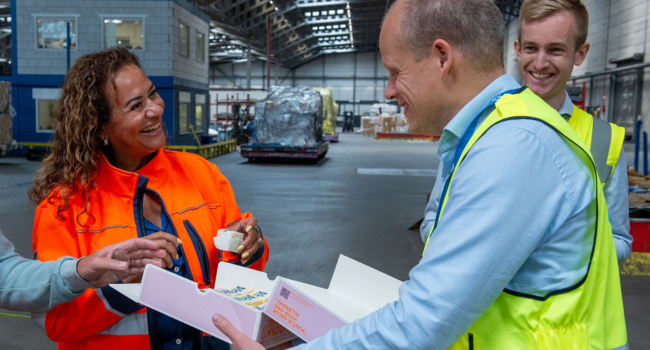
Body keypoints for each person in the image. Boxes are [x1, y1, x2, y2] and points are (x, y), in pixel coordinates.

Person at [212, 0, 627, 349]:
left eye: (396, 71)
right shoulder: (487, 132)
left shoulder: (514, 146)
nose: (389, 91)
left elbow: (424, 321)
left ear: (442, 57)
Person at [28, 48, 269, 350]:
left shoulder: (202, 173)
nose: (154, 109)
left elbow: (242, 278)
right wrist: (123, 287)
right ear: (101, 126)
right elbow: (57, 321)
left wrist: (251, 245)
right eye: (135, 106)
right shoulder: (63, 207)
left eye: (152, 94)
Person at [514, 0, 632, 265]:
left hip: (570, 305)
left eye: (555, 50)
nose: (540, 63)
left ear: (580, 53)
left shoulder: (604, 142)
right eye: (531, 48)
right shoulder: (480, 124)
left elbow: (620, 242)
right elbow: (435, 224)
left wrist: (557, 251)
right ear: (518, 50)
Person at [0, 228, 175, 311]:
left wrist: (76, 273)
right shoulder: (62, 202)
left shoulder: (197, 170)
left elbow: (3, 270)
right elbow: (55, 323)